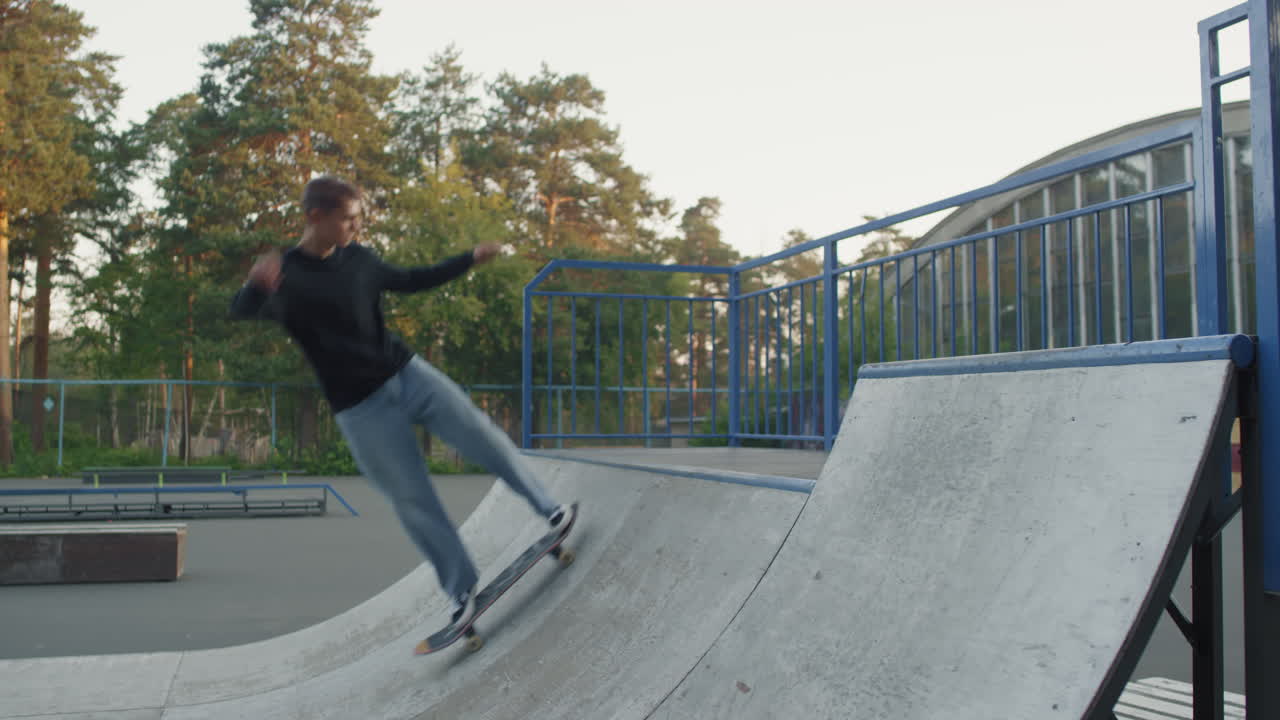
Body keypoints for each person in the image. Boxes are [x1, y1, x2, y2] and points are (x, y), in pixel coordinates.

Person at [229, 174, 576, 634]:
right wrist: (256, 284)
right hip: (361, 410)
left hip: (409, 375)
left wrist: (467, 260)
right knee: (414, 498)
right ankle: (460, 591)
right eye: (348, 219)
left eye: (358, 218)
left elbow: (412, 281)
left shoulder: (360, 259)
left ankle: (547, 507)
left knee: (480, 434)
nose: (356, 227)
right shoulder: (285, 277)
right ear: (317, 217)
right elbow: (241, 310)